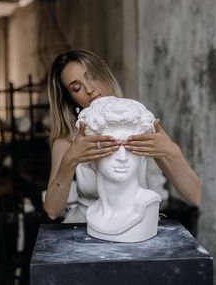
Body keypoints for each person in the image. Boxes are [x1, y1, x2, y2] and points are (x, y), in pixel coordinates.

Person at [44, 49, 201, 222]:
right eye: (77, 88)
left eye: (92, 76)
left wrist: (171, 151)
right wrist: (70, 159)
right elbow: (52, 211)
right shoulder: (67, 141)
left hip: (137, 228)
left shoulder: (140, 124)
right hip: (87, 229)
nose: (89, 89)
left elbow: (194, 196)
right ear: (70, 98)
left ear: (105, 75)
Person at [77, 96, 162, 242]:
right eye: (112, 146)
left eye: (130, 147)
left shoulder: (147, 205)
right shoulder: (93, 213)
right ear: (92, 154)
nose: (122, 157)